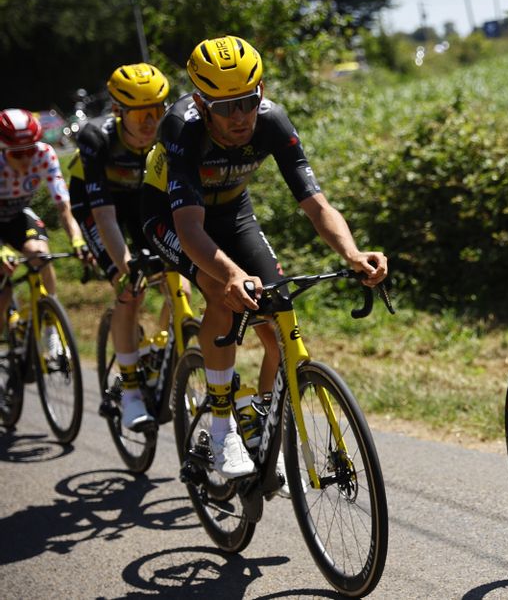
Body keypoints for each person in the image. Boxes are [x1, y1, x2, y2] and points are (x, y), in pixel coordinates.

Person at [140, 35, 387, 479]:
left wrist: (352, 253)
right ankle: (221, 431)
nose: (239, 117)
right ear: (200, 101)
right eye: (224, 106)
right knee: (220, 292)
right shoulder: (182, 127)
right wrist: (231, 274)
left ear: (262, 91)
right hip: (170, 218)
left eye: (247, 101)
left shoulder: (272, 121)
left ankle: (259, 419)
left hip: (233, 211)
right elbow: (190, 229)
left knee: (277, 314)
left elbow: (317, 205)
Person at [67, 63, 182, 430]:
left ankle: (162, 350)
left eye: (158, 109)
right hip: (99, 204)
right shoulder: (95, 138)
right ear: (118, 111)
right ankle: (130, 390)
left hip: (142, 199)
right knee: (129, 286)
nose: (152, 121)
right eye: (141, 113)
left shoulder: (170, 131)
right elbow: (104, 217)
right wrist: (128, 264)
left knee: (179, 276)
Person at [0, 108, 88, 361]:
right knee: (3, 291)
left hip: (17, 216)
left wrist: (77, 239)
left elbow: (63, 206)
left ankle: (50, 321)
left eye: (31, 149)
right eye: (19, 153)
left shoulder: (44, 155)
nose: (27, 159)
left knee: (41, 253)